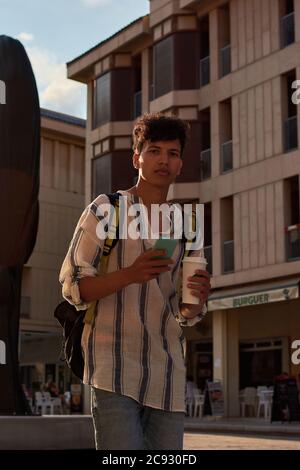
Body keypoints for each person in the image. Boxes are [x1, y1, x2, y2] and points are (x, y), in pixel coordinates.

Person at [59, 113, 211, 450]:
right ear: (136, 158)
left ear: (180, 163)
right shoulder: (106, 210)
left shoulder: (186, 224)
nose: (163, 160)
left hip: (167, 374)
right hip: (112, 367)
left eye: (172, 153)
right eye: (154, 150)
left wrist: (198, 299)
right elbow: (73, 285)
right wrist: (130, 274)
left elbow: (185, 313)